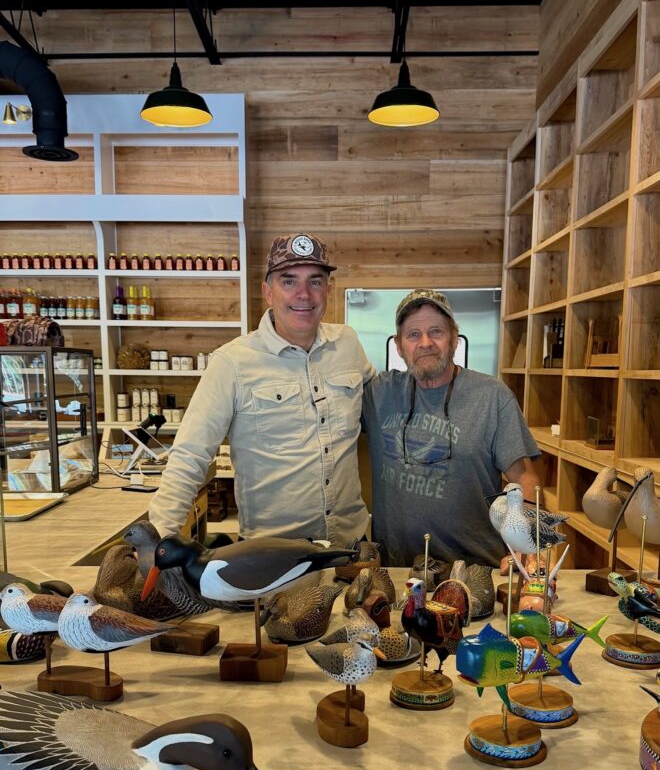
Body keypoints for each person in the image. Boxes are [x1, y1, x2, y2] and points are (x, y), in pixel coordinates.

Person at [149, 233, 375, 545]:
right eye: (289, 281)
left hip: (352, 544)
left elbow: (384, 407)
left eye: (315, 281)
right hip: (271, 557)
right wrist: (159, 539)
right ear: (268, 292)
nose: (304, 294)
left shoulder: (347, 344)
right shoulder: (232, 362)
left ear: (329, 290)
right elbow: (190, 454)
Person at [361, 288, 541, 568]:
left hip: (475, 570)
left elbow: (525, 477)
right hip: (397, 570)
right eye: (413, 335)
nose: (425, 343)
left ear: (455, 338)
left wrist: (526, 545)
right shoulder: (378, 394)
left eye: (436, 332)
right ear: (398, 345)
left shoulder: (492, 396)